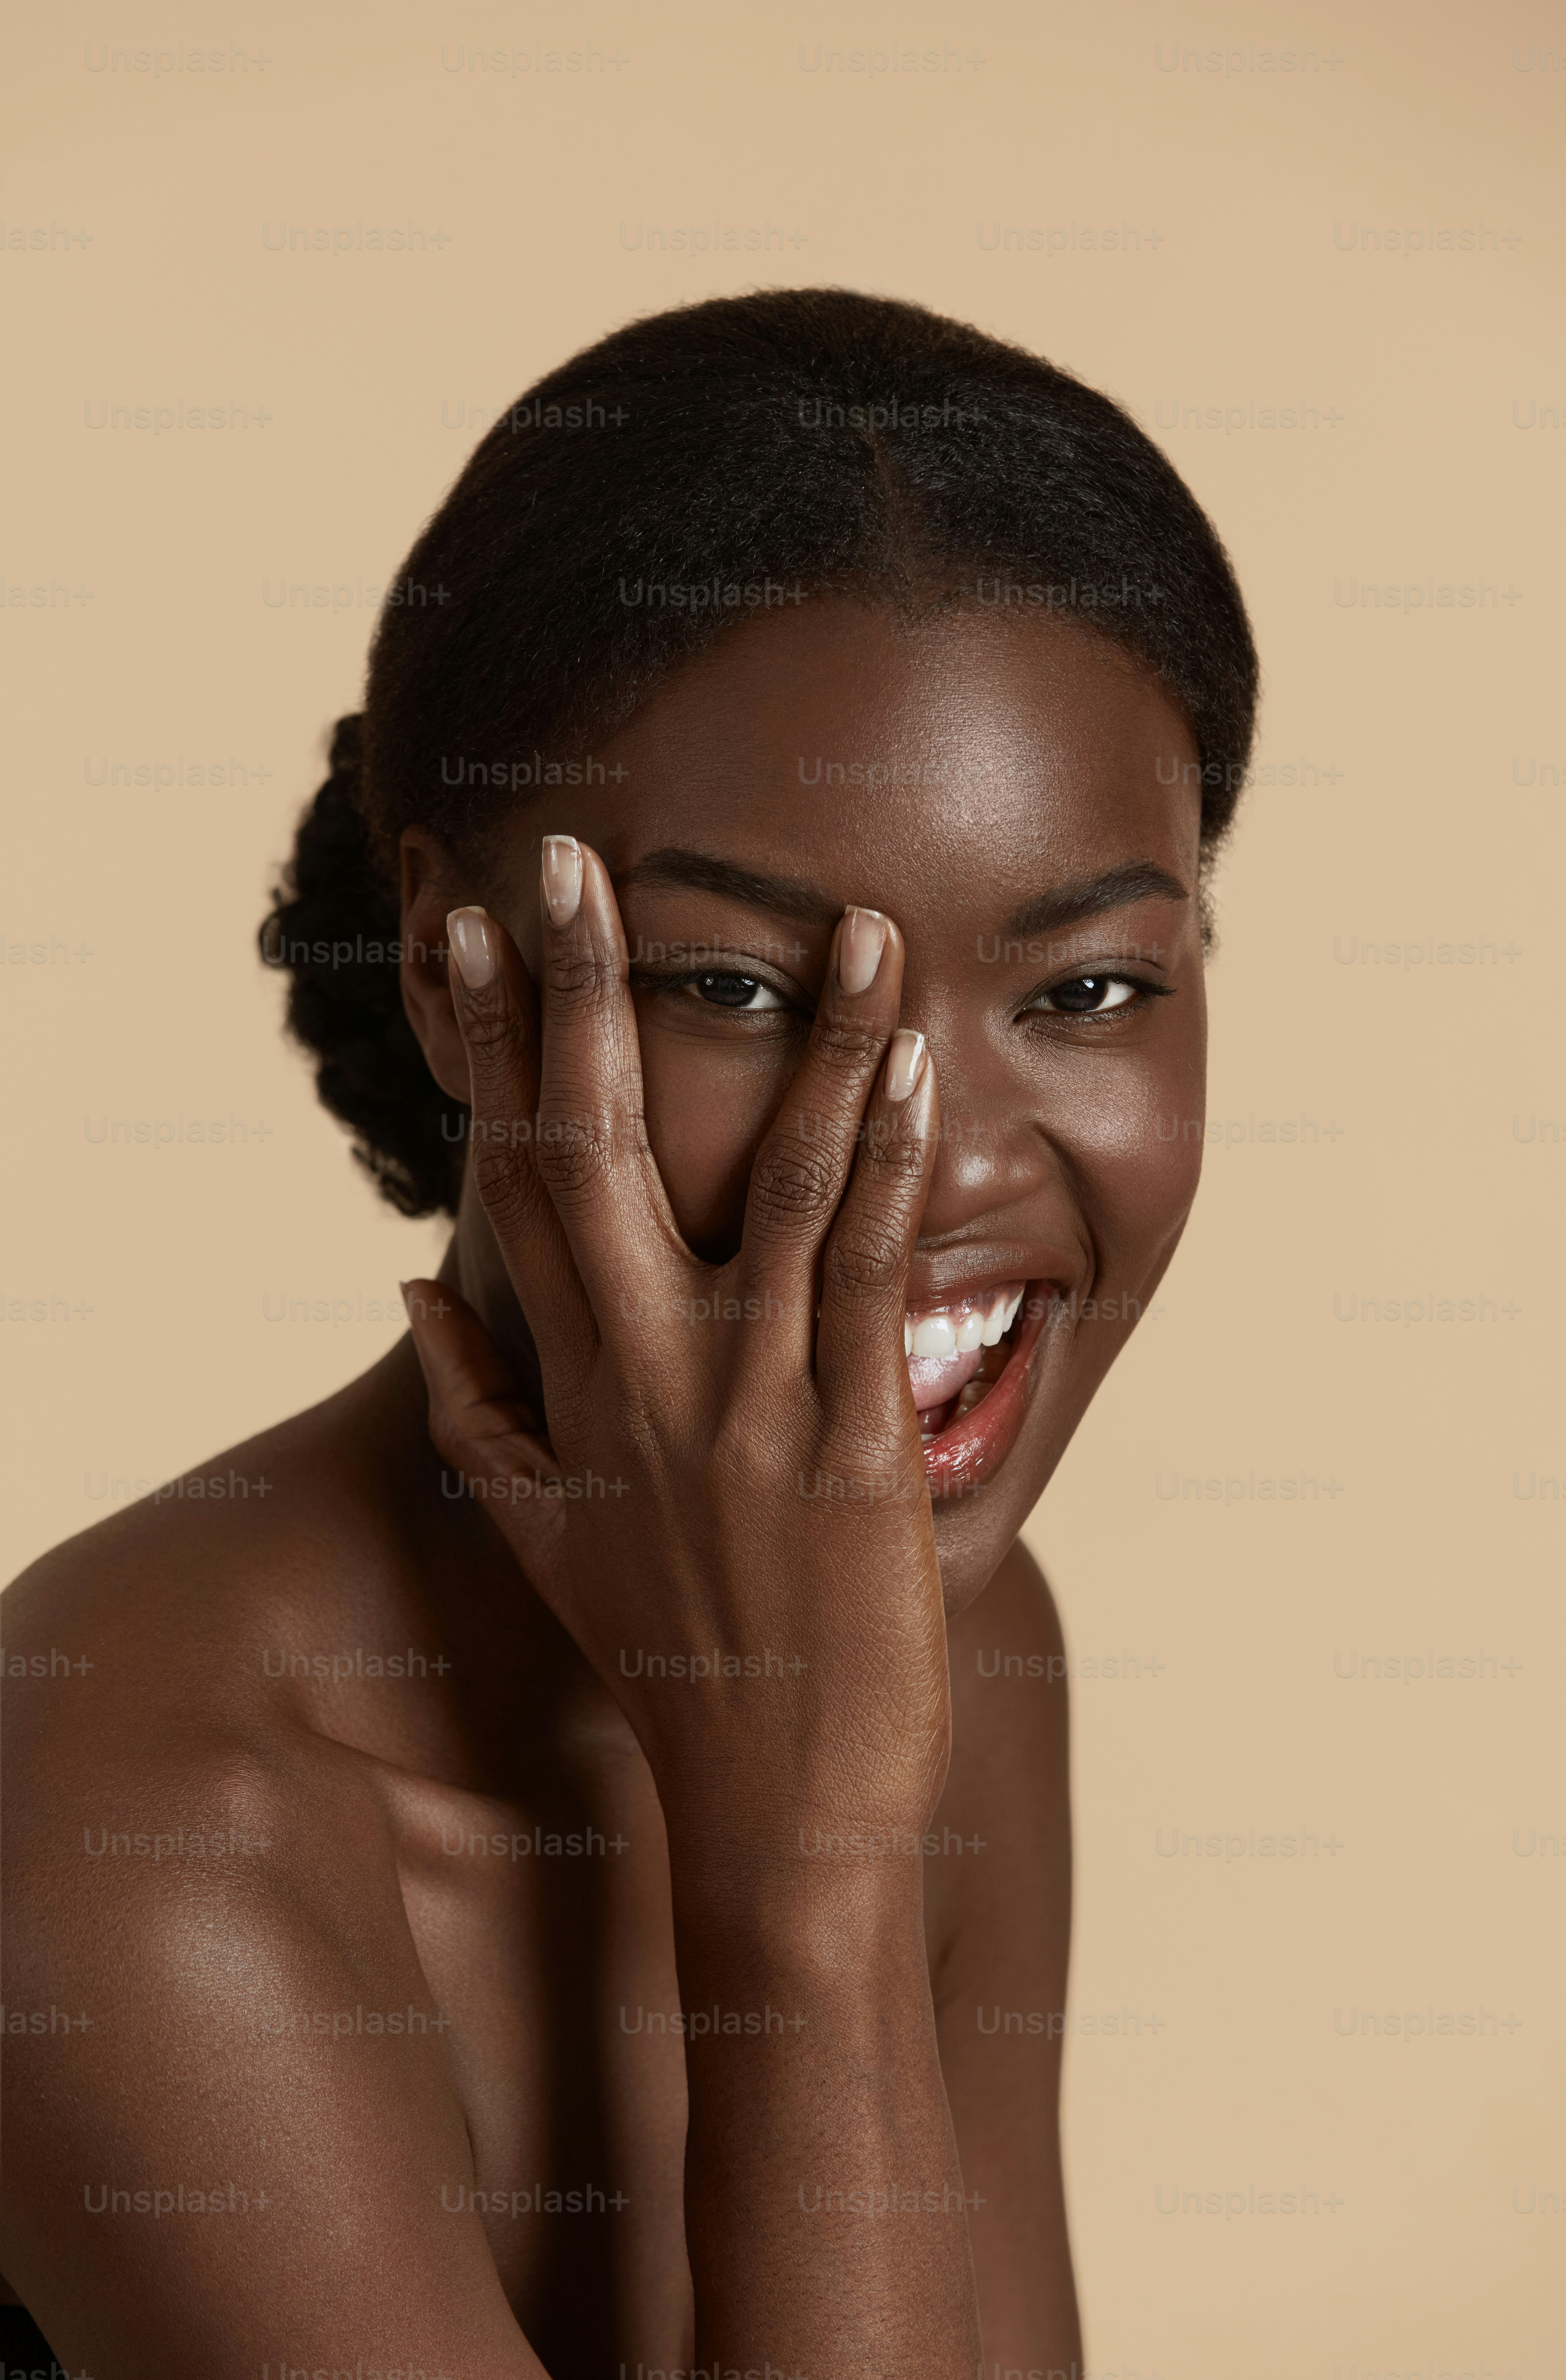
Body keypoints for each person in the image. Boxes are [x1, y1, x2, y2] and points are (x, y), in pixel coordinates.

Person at [0, 287, 1257, 2375]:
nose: (929, 1166)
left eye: (1093, 990)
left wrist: (817, 1800)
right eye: (745, 991)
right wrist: (813, 1870)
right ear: (442, 963)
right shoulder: (134, 1835)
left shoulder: (965, 1647)